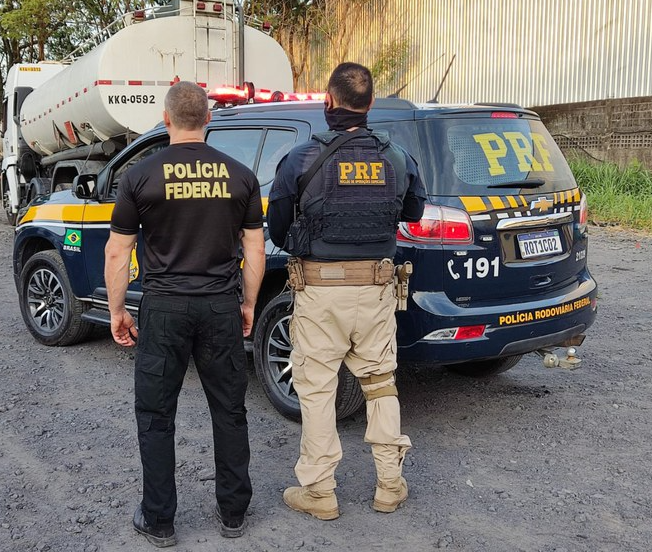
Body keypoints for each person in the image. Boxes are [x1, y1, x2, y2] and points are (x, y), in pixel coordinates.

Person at [104, 81, 265, 546]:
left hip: (165, 308)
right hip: (219, 306)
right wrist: (248, 303)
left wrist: (118, 310)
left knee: (156, 413)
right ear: (209, 119)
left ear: (167, 119)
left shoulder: (140, 175)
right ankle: (233, 513)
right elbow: (253, 248)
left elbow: (119, 254)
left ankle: (159, 520)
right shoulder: (240, 176)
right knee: (230, 409)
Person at [266, 62, 426, 519]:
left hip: (318, 293)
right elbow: (412, 211)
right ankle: (389, 486)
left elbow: (278, 231)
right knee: (379, 383)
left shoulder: (299, 159)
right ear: (371, 105)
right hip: (376, 290)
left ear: (327, 101)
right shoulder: (396, 158)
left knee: (316, 390)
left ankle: (319, 492)